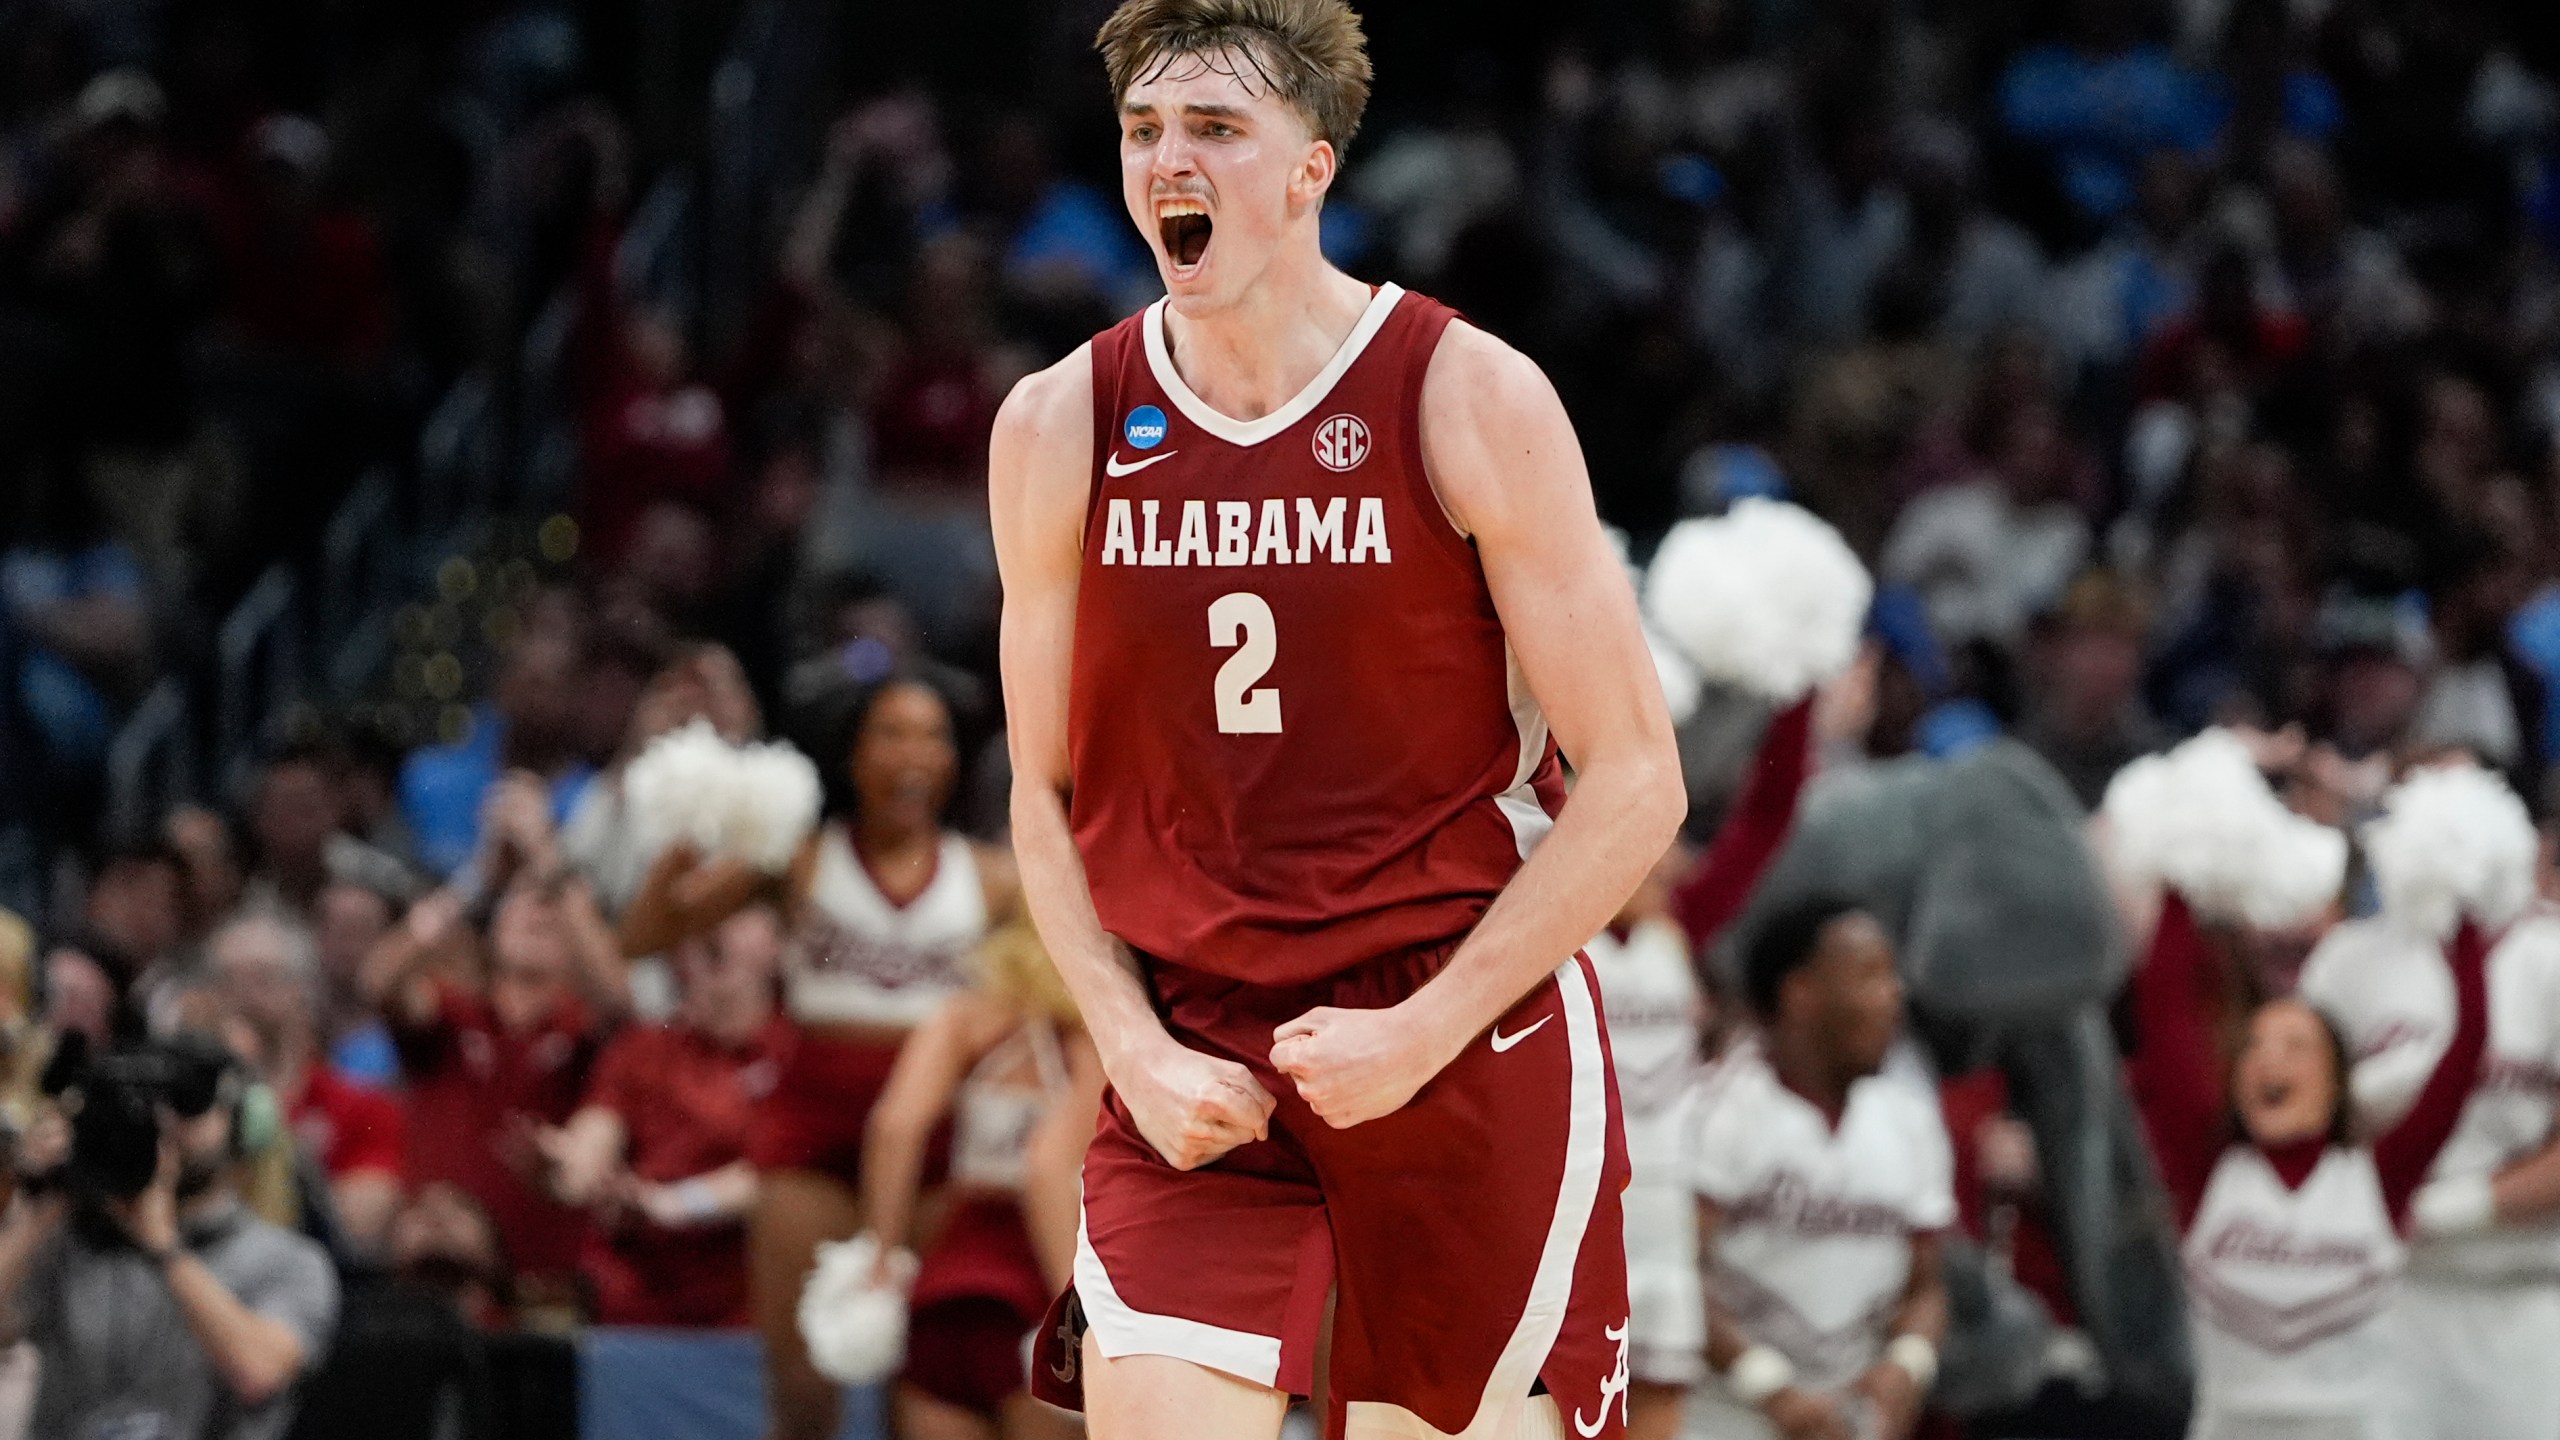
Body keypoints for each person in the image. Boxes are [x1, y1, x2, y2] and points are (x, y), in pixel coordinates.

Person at [988, 3, 1683, 1436]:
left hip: (1455, 1023)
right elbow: (1043, 801)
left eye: (1216, 131)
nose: (1170, 163)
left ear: (1310, 168)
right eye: (1144, 131)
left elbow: (1636, 786)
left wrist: (1420, 1031)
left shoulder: (1468, 397)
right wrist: (1128, 1048)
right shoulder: (1059, 425)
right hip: (1197, 1046)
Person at [624, 674, 1014, 1440]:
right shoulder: (798, 861)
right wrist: (689, 833)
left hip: (938, 1141)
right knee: (803, 1389)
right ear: (853, 754)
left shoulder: (996, 879)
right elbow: (641, 938)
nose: (914, 754)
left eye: (932, 735)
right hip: (808, 1134)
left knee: (927, 1386)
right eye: (892, 733)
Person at [2141, 889, 2489, 1440]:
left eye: (2295, 1046)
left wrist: (2460, 906)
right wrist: (2188, 879)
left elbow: (2464, 1053)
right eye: (2254, 1046)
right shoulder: (2209, 1172)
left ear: (2336, 1083)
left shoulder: (2379, 1176)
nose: (2268, 1059)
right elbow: (2164, 1018)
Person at [1598, 694, 1816, 1440]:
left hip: (1659, 1221)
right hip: (1570, 1214)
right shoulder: (1541, 935)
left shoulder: (1678, 928)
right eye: (1662, 838)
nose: (1680, 857)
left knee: (1659, 1413)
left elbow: (1768, 818)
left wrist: (1797, 681)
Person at [1689, 897, 1951, 1440]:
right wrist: (1769, 1386)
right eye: (1869, 975)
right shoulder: (1717, 1110)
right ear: (1800, 994)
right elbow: (1677, 1273)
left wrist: (1906, 1365)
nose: (1893, 995)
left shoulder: (1909, 1121)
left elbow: (1926, 1287)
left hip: (1849, 1417)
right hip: (1724, 1417)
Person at [2298, 900, 2560, 1440]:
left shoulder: (2548, 954)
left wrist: (2452, 1210)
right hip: (2378, 1303)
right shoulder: (2350, 955)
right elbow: (2293, 1117)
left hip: (2521, 1298)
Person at [0, 1032, 339, 1440]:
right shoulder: (74, 1239)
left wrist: (162, 1243)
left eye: (184, 1102)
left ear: (240, 1123)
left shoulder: (288, 1260)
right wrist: (47, 1200)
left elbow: (259, 1370)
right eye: (146, 1106)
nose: (163, 1125)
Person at [858, 923, 1103, 1440]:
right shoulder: (1096, 1042)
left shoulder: (968, 1017)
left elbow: (894, 1127)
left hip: (947, 1291)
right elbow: (1050, 1167)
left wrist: (881, 1257)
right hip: (1034, 1293)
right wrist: (1074, 1310)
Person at [539, 900, 790, 1328]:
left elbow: (781, 1172)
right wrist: (563, 1168)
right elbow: (591, 1143)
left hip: (750, 1318)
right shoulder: (643, 1048)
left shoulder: (802, 1055)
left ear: (781, 945)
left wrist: (673, 1204)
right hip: (636, 1314)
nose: (714, 929)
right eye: (699, 920)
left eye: (738, 910)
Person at [207, 910, 407, 1257]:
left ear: (301, 988)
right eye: (228, 980)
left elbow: (359, 1227)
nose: (243, 997)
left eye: (261, 978)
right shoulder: (194, 1106)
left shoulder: (362, 1107)